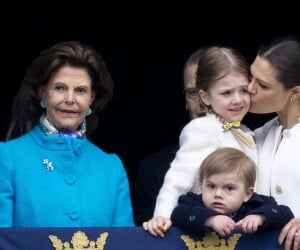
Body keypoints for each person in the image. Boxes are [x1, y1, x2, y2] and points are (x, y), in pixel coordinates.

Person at [0, 41, 134, 227]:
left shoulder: (111, 168)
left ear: (91, 98)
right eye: (60, 88)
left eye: (80, 90)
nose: (70, 99)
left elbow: (123, 249)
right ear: (42, 93)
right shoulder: (8, 157)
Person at [143, 45, 258, 237]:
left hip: (241, 235)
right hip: (204, 236)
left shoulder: (244, 132)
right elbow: (177, 179)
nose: (238, 99)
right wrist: (161, 216)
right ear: (205, 96)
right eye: (227, 93)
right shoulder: (203, 128)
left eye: (244, 90)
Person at [132, 47, 207, 226]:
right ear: (186, 101)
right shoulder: (152, 170)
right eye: (193, 93)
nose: (204, 101)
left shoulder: (255, 146)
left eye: (212, 89)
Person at [248, 34, 300, 250]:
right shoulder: (255, 136)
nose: (249, 88)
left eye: (262, 85)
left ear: (295, 93)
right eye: (250, 76)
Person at [171, 147, 293, 236]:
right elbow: (178, 214)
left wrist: (261, 217)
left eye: (229, 188)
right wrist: (210, 220)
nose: (218, 194)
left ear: (247, 194)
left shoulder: (257, 204)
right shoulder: (193, 202)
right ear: (202, 184)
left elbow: (285, 214)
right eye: (211, 186)